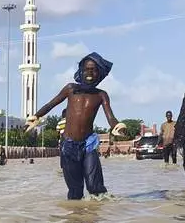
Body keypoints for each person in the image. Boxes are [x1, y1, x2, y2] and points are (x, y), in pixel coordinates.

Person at [24, 52, 124, 200]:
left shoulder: (101, 95)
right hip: (69, 145)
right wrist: (35, 117)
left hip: (88, 144)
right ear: (81, 71)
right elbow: (51, 104)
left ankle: (98, 218)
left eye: (94, 69)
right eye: (87, 69)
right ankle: (75, 220)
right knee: (75, 190)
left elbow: (110, 117)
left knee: (95, 187)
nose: (90, 72)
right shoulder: (70, 89)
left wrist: (118, 126)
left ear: (99, 73)